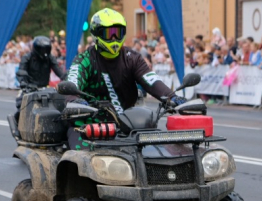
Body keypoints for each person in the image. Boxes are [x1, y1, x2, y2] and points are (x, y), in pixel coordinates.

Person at [67, 8, 182, 149]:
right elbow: (71, 83)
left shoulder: (133, 58)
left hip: (128, 125)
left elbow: (151, 80)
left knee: (156, 153)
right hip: (87, 127)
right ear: (97, 34)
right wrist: (74, 100)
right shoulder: (83, 60)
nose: (114, 38)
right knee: (81, 159)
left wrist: (174, 98)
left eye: (118, 32)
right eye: (109, 33)